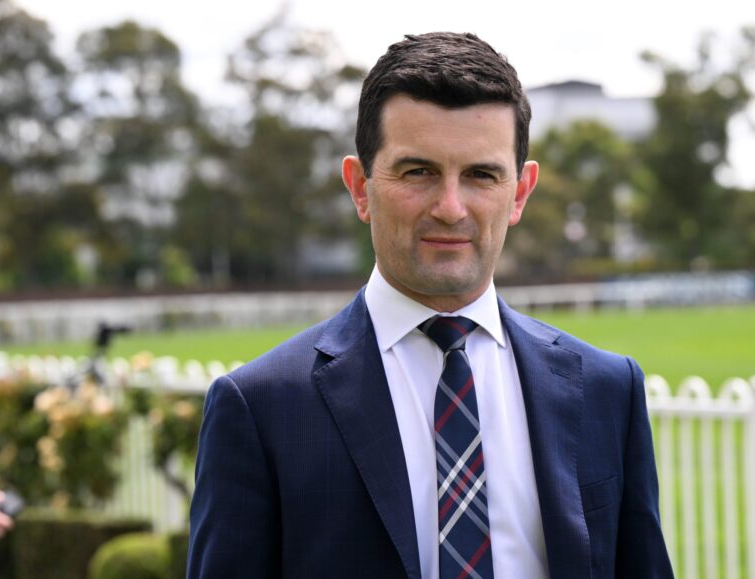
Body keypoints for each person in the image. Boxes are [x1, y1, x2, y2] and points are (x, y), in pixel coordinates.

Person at [188, 31, 673, 579]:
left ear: (519, 193)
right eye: (418, 172)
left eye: (481, 175)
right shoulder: (261, 408)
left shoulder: (607, 389)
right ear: (360, 187)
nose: (450, 207)